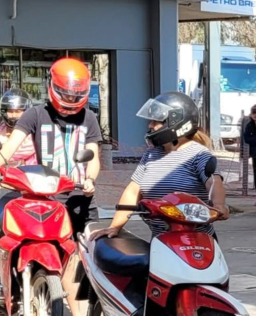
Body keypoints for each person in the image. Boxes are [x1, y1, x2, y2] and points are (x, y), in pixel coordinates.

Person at [0, 57, 102, 316]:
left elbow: (93, 155)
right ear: (53, 88)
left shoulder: (89, 118)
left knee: (84, 255)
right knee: (42, 244)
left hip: (79, 195)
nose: (70, 100)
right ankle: (66, 311)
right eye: (66, 93)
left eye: (76, 95)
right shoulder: (35, 114)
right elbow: (11, 145)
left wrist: (90, 178)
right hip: (47, 196)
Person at [91, 92, 228, 242]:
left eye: (156, 121)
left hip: (197, 240)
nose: (150, 126)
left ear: (177, 122)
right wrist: (115, 227)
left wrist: (219, 205)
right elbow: (133, 191)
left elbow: (213, 181)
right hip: (162, 241)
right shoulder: (151, 154)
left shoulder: (198, 154)